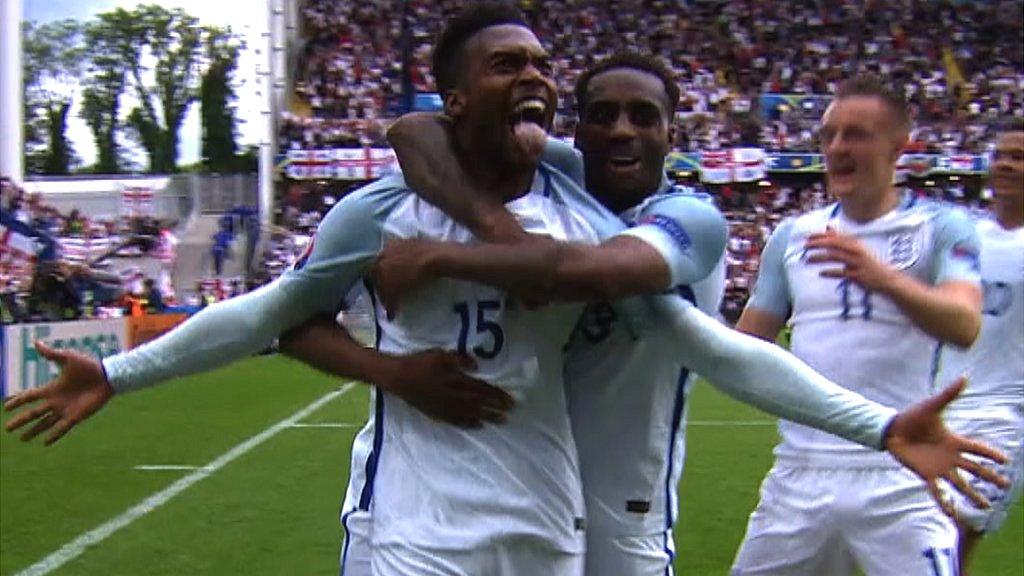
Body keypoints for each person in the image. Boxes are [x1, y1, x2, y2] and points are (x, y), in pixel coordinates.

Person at [3, 9, 1005, 576]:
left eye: (539, 63)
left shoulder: (634, 222)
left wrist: (878, 429)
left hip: (558, 522)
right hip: (411, 526)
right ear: (469, 100)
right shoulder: (385, 206)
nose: (537, 78)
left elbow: (710, 343)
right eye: (509, 66)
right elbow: (269, 313)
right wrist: (125, 374)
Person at [284, 54, 1004, 576]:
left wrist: (443, 257)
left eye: (644, 117)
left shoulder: (687, 216)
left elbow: (705, 343)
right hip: (501, 503)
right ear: (576, 136)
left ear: (672, 134)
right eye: (602, 117)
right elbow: (418, 131)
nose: (623, 131)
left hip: (626, 511)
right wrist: (404, 361)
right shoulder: (556, 189)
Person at [730, 76, 986, 575]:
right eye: (829, 135)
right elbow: (742, 350)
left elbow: (964, 323)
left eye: (857, 135)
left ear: (899, 145)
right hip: (800, 476)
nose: (838, 148)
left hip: (900, 471)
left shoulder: (942, 228)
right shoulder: (793, 237)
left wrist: (883, 278)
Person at [937, 118, 1024, 574]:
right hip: (941, 406)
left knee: (950, 540)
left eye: (1019, 157)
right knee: (922, 541)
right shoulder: (966, 237)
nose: (1007, 165)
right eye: (1001, 156)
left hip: (1003, 414)